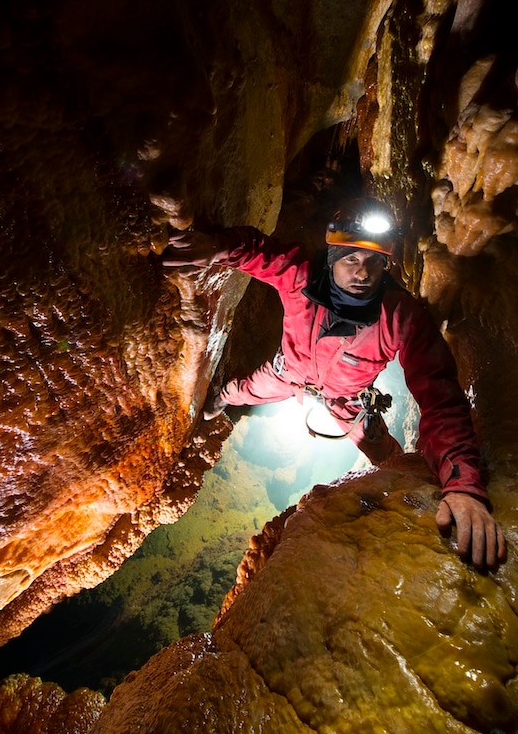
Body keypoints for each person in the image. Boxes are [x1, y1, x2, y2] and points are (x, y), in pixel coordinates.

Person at [162, 197, 506, 570]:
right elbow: (260, 252)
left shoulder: (400, 317)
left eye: (375, 262)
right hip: (287, 374)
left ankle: (401, 471)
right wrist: (217, 248)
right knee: (239, 391)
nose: (363, 273)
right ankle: (217, 403)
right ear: (332, 260)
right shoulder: (301, 278)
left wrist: (463, 484)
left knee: (385, 457)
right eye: (351, 259)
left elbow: (440, 398)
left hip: (348, 402)